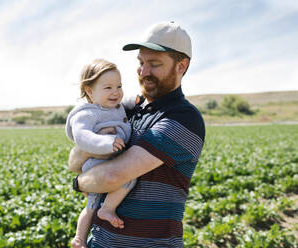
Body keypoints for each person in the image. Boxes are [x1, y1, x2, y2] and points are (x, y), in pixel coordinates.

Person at [69, 21, 206, 247]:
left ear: (181, 66)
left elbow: (112, 177)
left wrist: (78, 183)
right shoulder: (126, 109)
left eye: (154, 64)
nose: (143, 72)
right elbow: (74, 161)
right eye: (141, 62)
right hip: (100, 241)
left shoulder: (183, 119)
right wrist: (90, 144)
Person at [65, 59, 136, 248]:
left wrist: (136, 100)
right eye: (108, 87)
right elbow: (82, 136)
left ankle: (81, 237)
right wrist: (106, 142)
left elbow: (125, 107)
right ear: (89, 91)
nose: (116, 92)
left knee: (91, 205)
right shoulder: (87, 113)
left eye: (119, 86)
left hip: (107, 161)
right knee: (128, 179)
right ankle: (104, 212)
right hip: (96, 163)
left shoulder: (114, 107)